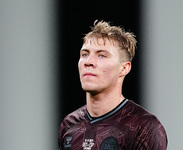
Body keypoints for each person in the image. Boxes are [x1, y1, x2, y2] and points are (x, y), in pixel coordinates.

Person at [58, 20, 167, 150]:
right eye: (85, 54)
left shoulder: (144, 127)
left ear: (124, 68)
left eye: (102, 55)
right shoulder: (69, 124)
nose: (89, 62)